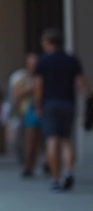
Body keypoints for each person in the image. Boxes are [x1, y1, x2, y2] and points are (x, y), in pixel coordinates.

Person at [33, 28, 87, 192]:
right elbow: (81, 84)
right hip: (68, 103)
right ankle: (68, 172)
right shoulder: (72, 60)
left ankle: (55, 179)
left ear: (47, 43)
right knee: (66, 140)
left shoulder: (43, 61)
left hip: (49, 103)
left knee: (52, 140)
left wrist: (38, 105)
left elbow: (38, 86)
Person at [9, 53, 41, 177]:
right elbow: (16, 94)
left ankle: (34, 164)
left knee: (37, 139)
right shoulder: (20, 76)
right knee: (24, 140)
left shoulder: (41, 75)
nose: (34, 65)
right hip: (24, 111)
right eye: (32, 63)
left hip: (38, 110)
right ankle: (27, 164)